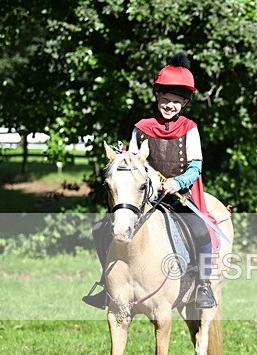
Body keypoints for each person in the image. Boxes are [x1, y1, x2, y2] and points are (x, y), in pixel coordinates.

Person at [83, 53, 217, 309]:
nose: (169, 106)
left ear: (184, 104)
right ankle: (106, 282)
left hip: (178, 197)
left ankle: (203, 285)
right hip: (146, 197)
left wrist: (177, 183)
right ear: (157, 97)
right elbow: (134, 162)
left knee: (202, 232)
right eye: (165, 100)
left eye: (176, 102)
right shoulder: (142, 127)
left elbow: (196, 166)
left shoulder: (190, 128)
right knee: (101, 229)